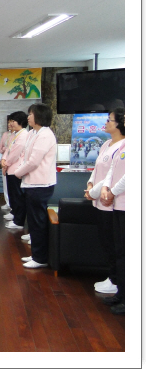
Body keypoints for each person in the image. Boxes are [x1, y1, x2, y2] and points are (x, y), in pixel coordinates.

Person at [84, 108, 125, 295]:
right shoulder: (106, 144)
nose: (106, 122)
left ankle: (116, 280)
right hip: (98, 199)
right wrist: (90, 185)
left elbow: (114, 175)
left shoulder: (124, 145)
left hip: (111, 201)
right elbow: (97, 169)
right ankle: (113, 277)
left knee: (114, 244)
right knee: (105, 242)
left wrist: (94, 192)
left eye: (110, 120)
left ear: (120, 124)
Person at [14, 103, 57, 269]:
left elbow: (33, 161)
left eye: (31, 114)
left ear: (39, 116)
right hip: (31, 183)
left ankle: (40, 258)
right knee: (33, 221)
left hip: (40, 184)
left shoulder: (45, 135)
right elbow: (26, 156)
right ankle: (36, 254)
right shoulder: (33, 132)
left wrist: (18, 173)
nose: (28, 117)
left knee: (38, 222)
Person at [99, 113, 125, 315]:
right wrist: (105, 188)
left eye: (110, 119)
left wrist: (112, 191)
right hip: (116, 203)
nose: (106, 122)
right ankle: (121, 293)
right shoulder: (118, 146)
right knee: (119, 251)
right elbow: (110, 171)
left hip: (124, 203)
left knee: (125, 252)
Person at [1, 111, 30, 232]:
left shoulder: (23, 135)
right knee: (13, 195)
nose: (11, 123)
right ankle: (15, 214)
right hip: (10, 168)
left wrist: (6, 163)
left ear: (20, 122)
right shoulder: (15, 134)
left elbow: (15, 153)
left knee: (18, 196)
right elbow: (8, 149)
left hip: (16, 170)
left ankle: (19, 221)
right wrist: (3, 160)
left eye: (13, 121)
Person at [0, 117, 13, 211]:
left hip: (12, 163)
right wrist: (5, 149)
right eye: (8, 122)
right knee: (5, 184)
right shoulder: (5, 134)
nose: (9, 124)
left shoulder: (17, 135)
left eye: (11, 122)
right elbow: (0, 148)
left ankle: (12, 205)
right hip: (4, 160)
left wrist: (6, 149)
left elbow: (12, 149)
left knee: (12, 185)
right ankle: (8, 202)